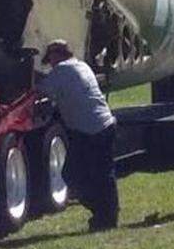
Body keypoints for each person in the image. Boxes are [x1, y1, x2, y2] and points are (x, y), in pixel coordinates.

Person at [35, 39, 119, 231]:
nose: (51, 64)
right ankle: (107, 215)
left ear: (57, 55)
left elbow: (41, 89)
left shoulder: (62, 70)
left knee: (72, 174)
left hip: (88, 130)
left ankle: (103, 213)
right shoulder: (81, 66)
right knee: (103, 174)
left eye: (52, 59)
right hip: (104, 124)